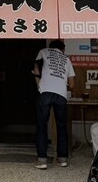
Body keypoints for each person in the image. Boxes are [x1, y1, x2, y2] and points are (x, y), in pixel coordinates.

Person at [33, 39, 75, 169]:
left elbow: (36, 69)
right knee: (61, 126)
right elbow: (72, 84)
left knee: (42, 125)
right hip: (61, 94)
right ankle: (62, 159)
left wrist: (39, 85)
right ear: (62, 49)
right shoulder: (66, 59)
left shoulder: (43, 52)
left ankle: (42, 160)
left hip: (45, 91)